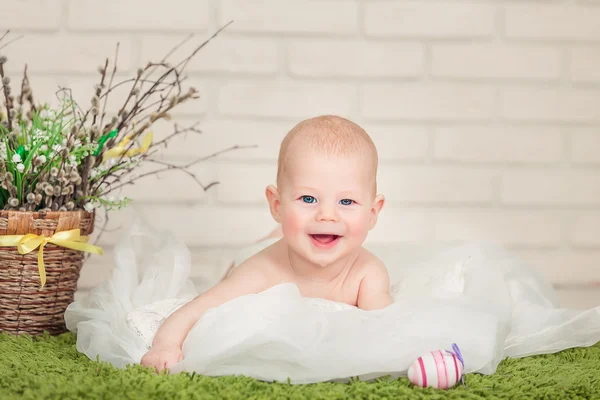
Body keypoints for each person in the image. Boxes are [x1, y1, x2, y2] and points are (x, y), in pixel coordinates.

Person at [140, 115, 392, 372]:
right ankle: (270, 237)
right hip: (263, 257)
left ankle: (279, 230)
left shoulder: (366, 273)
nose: (327, 215)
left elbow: (390, 330)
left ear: (372, 213)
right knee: (233, 275)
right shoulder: (262, 270)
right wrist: (165, 345)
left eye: (346, 202)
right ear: (277, 205)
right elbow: (195, 310)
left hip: (293, 242)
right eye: (308, 198)